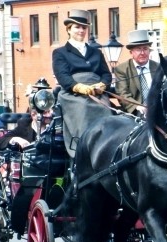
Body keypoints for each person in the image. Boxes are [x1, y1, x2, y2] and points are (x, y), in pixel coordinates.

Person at [52, 9, 112, 158]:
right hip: (73, 95)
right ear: (69, 29)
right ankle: (82, 149)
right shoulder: (60, 52)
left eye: (84, 27)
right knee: (84, 107)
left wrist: (102, 85)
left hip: (97, 92)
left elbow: (106, 74)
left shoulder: (96, 52)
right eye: (77, 27)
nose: (81, 30)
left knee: (108, 110)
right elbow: (63, 77)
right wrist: (81, 88)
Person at [114, 29, 160, 116]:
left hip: (158, 110)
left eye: (145, 48)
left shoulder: (158, 67)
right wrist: (137, 106)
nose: (143, 53)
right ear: (131, 52)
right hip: (136, 112)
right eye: (138, 49)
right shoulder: (122, 69)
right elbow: (122, 93)